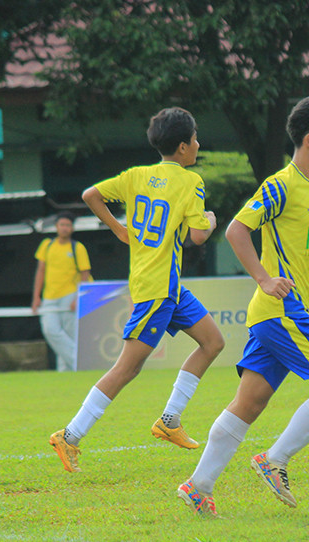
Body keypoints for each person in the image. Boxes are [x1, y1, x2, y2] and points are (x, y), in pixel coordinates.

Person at [176, 94, 309, 516]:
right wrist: (263, 277)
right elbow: (238, 230)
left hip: (274, 315)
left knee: (249, 403)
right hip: (281, 311)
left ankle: (198, 486)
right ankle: (274, 460)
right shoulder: (281, 184)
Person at [48, 107, 225, 473]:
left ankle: (170, 420)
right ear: (181, 147)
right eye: (194, 139)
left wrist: (117, 227)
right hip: (157, 289)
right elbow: (197, 236)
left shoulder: (135, 176)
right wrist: (211, 219)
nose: (198, 145)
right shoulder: (191, 182)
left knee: (213, 342)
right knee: (127, 368)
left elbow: (90, 194)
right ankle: (70, 435)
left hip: (166, 286)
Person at [32, 213, 92, 372]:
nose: (64, 228)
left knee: (69, 332)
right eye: (61, 225)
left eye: (67, 225)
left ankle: (65, 372)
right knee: (50, 330)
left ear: (72, 228)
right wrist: (36, 296)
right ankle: (79, 363)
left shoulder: (77, 247)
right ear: (56, 227)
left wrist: (79, 296)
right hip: (49, 296)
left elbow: (85, 273)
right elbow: (41, 271)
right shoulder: (47, 245)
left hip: (70, 294)